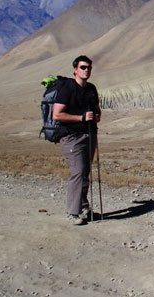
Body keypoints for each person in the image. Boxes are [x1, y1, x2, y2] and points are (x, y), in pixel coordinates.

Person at [53, 55, 101, 225]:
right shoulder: (67, 89)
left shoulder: (91, 89)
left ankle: (84, 206)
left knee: (85, 172)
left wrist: (95, 117)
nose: (86, 70)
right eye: (83, 67)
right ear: (75, 69)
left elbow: (97, 110)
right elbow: (57, 114)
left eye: (88, 67)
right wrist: (81, 118)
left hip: (89, 134)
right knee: (78, 172)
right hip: (71, 137)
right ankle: (73, 212)